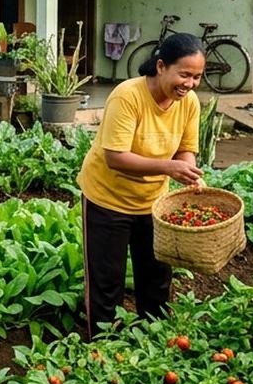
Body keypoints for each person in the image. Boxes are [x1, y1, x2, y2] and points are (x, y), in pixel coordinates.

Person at [77, 32, 205, 336]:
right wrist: (169, 167)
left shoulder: (189, 103)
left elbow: (185, 148)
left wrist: (187, 171)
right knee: (107, 283)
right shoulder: (128, 96)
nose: (190, 84)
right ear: (161, 66)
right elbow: (115, 158)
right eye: (184, 74)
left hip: (153, 203)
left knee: (156, 279)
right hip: (107, 200)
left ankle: (153, 343)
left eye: (197, 77)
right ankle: (101, 346)